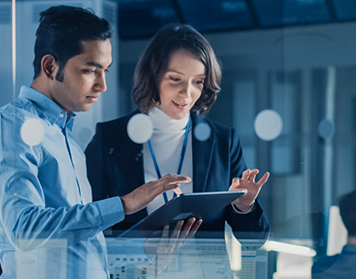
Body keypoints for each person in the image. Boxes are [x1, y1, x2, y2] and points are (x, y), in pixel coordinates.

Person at [0, 6, 195, 279]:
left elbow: (75, 248)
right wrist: (125, 204)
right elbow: (25, 229)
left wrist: (147, 259)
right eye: (91, 70)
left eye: (105, 70)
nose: (102, 85)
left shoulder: (67, 141)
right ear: (51, 66)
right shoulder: (12, 126)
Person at [85, 23, 270, 241]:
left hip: (205, 274)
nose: (187, 93)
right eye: (175, 79)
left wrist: (244, 206)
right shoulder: (110, 138)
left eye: (198, 81)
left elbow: (255, 240)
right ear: (153, 76)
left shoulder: (223, 142)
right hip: (135, 273)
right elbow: (86, 222)